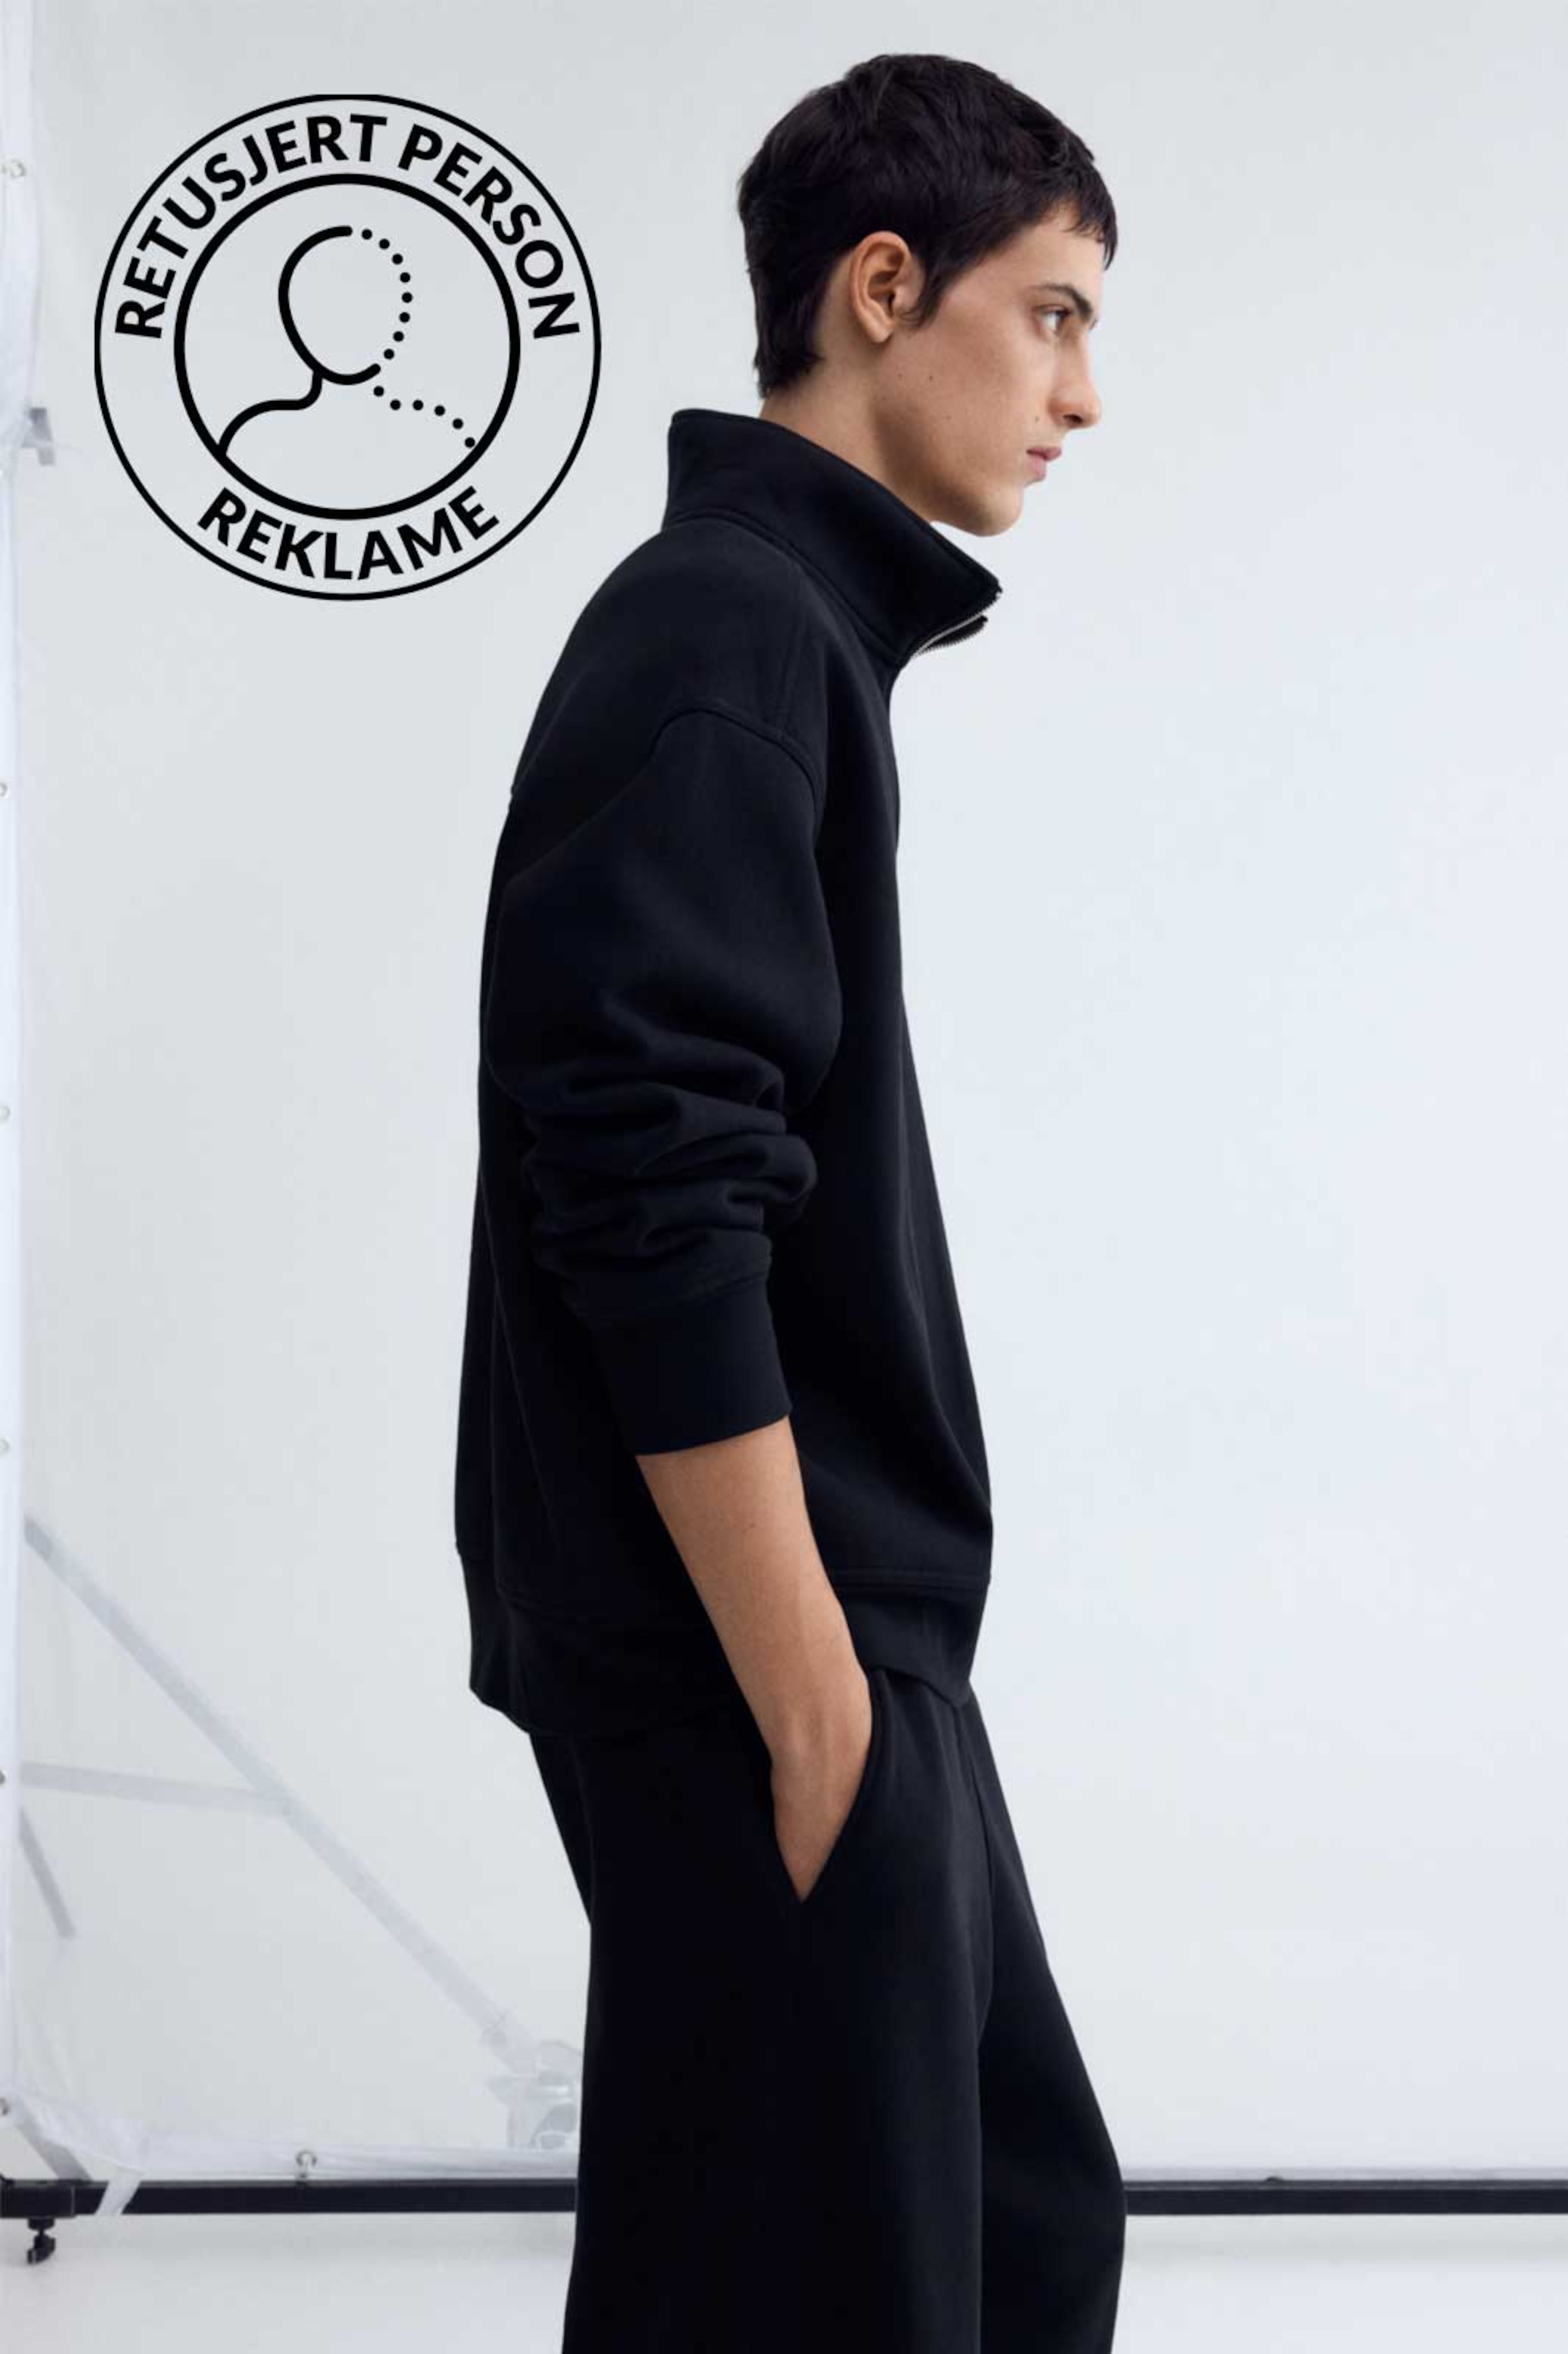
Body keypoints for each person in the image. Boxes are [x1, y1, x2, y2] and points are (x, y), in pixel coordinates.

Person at [453, 49, 1126, 2353]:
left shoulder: (775, 629)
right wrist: (814, 1702)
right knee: (842, 2290)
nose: (1081, 395)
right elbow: (647, 1182)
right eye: (1051, 314)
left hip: (816, 1640)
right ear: (882, 287)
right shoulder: (727, 633)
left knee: (1004, 2233)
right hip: (765, 1651)